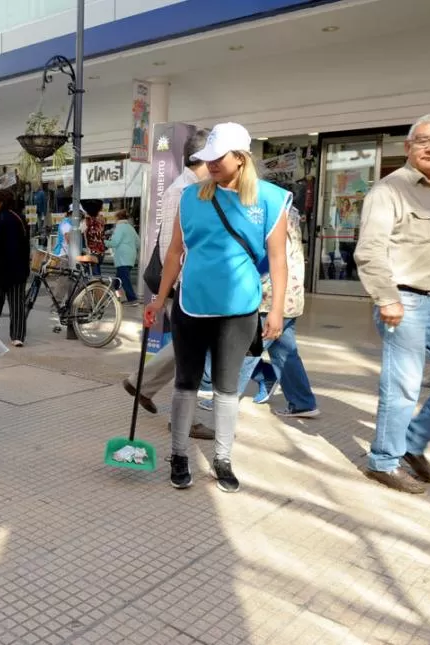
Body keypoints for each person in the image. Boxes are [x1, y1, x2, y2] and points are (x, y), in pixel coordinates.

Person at [145, 122, 289, 493]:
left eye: (217, 158)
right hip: (191, 305)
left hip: (240, 310)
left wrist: (275, 311)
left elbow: (278, 259)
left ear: (241, 159)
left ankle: (223, 458)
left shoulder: (271, 200)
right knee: (185, 384)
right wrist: (159, 299)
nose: (209, 164)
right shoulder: (192, 198)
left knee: (226, 389)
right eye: (205, 158)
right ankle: (178, 455)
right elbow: (175, 252)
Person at [354, 113, 430, 494]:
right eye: (424, 140)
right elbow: (369, 251)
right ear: (408, 147)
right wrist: (387, 298)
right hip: (407, 301)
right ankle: (383, 460)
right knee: (403, 386)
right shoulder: (389, 191)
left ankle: (413, 443)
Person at [123, 129, 210, 423]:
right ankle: (181, 416)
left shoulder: (196, 187)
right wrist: (172, 290)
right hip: (183, 286)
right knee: (189, 351)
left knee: (187, 347)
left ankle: (142, 384)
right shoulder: (182, 190)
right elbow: (169, 247)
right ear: (202, 159)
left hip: (190, 285)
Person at [199, 206, 319, 418]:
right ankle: (303, 402)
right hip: (290, 295)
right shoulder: (289, 212)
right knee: (285, 352)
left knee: (247, 350)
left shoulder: (268, 213)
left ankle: (224, 399)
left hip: (268, 297)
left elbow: (265, 258)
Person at [0, 188, 30, 347]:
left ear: (1, 202)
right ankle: (18, 336)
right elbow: (26, 246)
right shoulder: (20, 218)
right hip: (18, 269)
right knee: (17, 304)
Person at [107, 210, 140, 306]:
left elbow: (114, 243)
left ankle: (132, 299)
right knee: (117, 280)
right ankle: (116, 298)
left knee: (124, 280)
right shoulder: (131, 228)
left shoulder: (119, 227)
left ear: (117, 218)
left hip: (122, 257)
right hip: (130, 257)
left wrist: (104, 242)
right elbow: (138, 243)